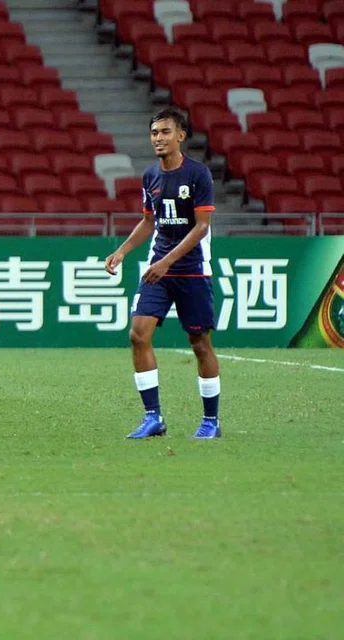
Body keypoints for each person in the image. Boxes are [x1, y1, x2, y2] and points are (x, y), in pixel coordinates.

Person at [104, 107, 222, 440]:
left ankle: (211, 421)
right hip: (158, 269)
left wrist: (167, 261)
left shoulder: (198, 175)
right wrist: (122, 251)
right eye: (154, 133)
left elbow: (201, 227)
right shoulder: (150, 176)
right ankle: (153, 417)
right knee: (138, 334)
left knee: (199, 343)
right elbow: (148, 221)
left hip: (193, 270)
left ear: (181, 135)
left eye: (165, 132)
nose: (159, 138)